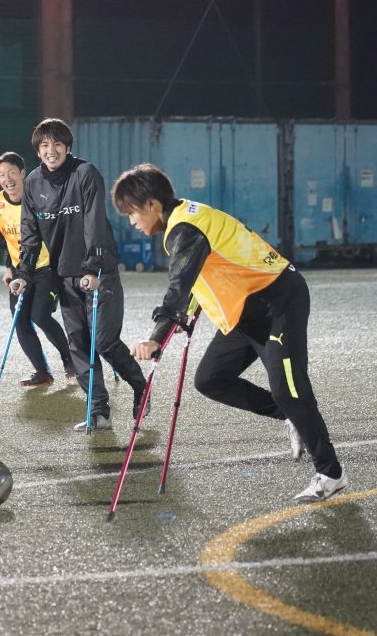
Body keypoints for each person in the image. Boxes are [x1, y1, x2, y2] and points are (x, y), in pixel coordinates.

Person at [112, 163, 346, 502]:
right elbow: (195, 280)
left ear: (152, 205)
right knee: (210, 379)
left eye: (131, 212)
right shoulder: (182, 220)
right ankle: (291, 416)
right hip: (246, 311)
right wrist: (182, 319)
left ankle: (331, 473)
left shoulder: (185, 230)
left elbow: (178, 285)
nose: (131, 221)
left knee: (289, 389)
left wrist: (156, 335)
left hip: (277, 300)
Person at [9, 118, 147, 431]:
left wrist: (93, 267)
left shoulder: (84, 173)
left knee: (104, 342)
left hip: (100, 273)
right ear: (38, 151)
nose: (51, 150)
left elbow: (94, 223)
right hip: (65, 276)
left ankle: (141, 386)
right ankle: (98, 412)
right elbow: (29, 235)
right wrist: (23, 274)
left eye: (57, 144)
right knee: (78, 346)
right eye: (44, 145)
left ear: (68, 147)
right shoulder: (32, 183)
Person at [0, 151, 74, 387]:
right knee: (21, 321)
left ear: (23, 173)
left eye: (12, 173)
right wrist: (8, 267)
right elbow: (2, 238)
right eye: (2, 175)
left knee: (40, 315)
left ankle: (70, 359)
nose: (7, 178)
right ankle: (42, 373)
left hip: (47, 268)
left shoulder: (40, 197)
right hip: (19, 271)